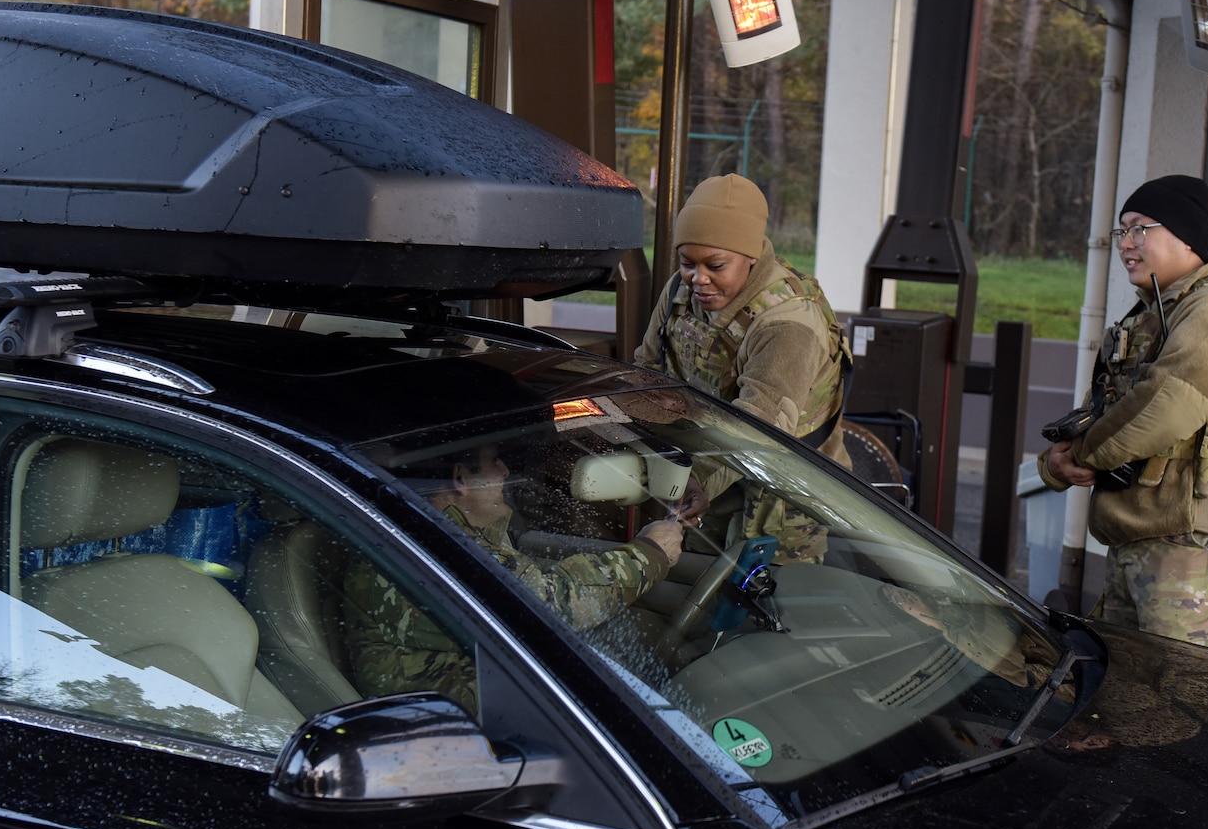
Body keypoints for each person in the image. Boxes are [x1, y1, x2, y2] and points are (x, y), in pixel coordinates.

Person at [1039, 175, 1208, 654]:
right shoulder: (1155, 312)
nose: (1126, 245)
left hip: (1191, 545)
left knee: (1175, 702)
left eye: (1139, 230)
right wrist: (1057, 462)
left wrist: (1071, 461)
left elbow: (1162, 408)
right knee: (1129, 699)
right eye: (1121, 231)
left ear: (1185, 234)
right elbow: (1110, 407)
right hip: (1144, 534)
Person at [341, 443, 688, 708]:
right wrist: (650, 554)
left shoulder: (449, 534)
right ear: (461, 479)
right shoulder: (423, 551)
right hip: (467, 736)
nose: (505, 471)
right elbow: (551, 605)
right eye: (494, 461)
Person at [634, 172, 851, 561]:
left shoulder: (786, 323)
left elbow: (759, 424)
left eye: (716, 265)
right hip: (707, 471)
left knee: (768, 608)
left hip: (784, 492)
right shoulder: (680, 291)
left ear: (751, 257)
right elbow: (647, 368)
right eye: (687, 262)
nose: (698, 279)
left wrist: (698, 479)